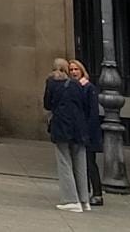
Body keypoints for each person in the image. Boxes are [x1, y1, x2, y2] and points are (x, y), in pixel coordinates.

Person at [44, 58, 92, 212]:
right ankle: (84, 200)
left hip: (62, 126)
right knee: (80, 162)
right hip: (79, 127)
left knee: (64, 160)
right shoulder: (77, 85)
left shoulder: (52, 83)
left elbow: (47, 104)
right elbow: (85, 106)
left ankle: (71, 199)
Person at [68, 59, 105, 206]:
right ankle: (84, 191)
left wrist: (87, 132)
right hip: (77, 130)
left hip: (88, 132)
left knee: (90, 163)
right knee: (80, 163)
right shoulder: (72, 87)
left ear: (82, 71)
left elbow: (92, 113)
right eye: (71, 70)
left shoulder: (88, 88)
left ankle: (97, 193)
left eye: (76, 69)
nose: (73, 72)